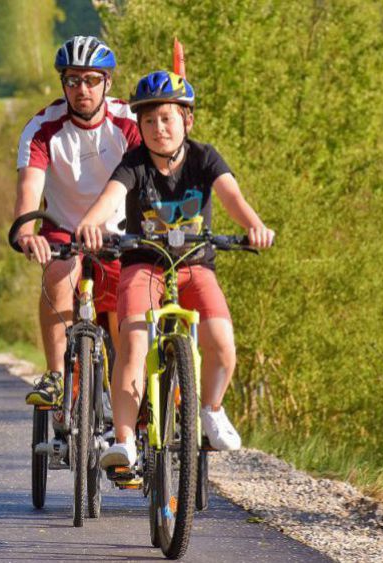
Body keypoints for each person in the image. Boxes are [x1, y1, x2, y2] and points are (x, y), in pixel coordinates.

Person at [74, 71, 275, 471]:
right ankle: (125, 441)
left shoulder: (204, 157)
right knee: (132, 345)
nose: (158, 128)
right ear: (139, 126)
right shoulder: (134, 164)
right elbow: (110, 197)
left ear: (187, 120)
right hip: (143, 266)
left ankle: (211, 410)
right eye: (148, 121)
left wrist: (254, 225)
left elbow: (231, 195)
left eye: (167, 118)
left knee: (222, 343)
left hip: (195, 267)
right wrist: (91, 224)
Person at [13, 36, 141, 408]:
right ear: (63, 84)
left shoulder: (128, 122)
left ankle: (130, 398)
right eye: (72, 81)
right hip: (62, 228)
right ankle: (55, 376)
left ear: (107, 83)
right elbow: (29, 189)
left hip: (118, 230)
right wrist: (24, 231)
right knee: (58, 274)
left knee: (125, 313)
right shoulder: (41, 128)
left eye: (90, 80)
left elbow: (145, 182)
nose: (81, 89)